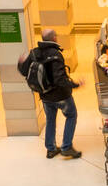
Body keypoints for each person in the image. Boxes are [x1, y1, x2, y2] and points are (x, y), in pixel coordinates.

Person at [20, 28, 83, 159]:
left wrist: (21, 61)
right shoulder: (55, 54)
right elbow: (60, 79)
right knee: (71, 115)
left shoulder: (34, 52)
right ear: (54, 38)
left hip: (44, 95)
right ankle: (66, 147)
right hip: (60, 96)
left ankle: (51, 149)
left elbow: (23, 70)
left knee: (50, 120)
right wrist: (75, 84)